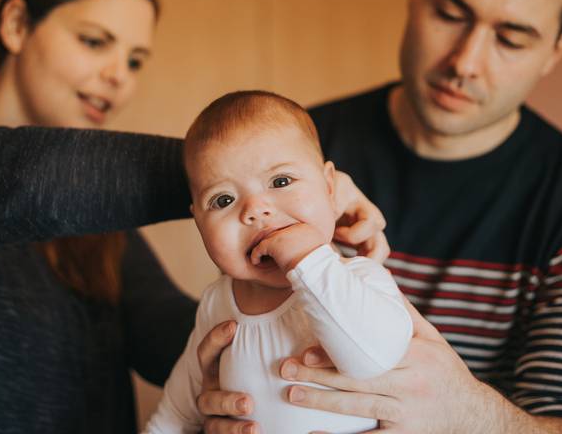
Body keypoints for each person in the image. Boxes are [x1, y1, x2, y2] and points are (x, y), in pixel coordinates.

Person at [0, 0, 387, 434]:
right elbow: (25, 184)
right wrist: (259, 180)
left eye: (135, 61)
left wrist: (271, 377)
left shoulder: (96, 226)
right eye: (94, 41)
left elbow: (177, 336)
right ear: (15, 24)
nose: (118, 76)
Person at [197, 0, 562, 433]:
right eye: (449, 13)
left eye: (512, 39)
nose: (465, 63)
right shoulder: (293, 154)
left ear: (557, 50)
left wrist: (469, 412)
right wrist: (222, 398)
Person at [143, 91, 412, 433]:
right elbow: (178, 413)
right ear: (198, 222)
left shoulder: (361, 277)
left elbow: (371, 359)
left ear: (332, 190)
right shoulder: (216, 303)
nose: (256, 209)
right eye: (223, 199)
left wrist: (308, 260)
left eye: (281, 181)